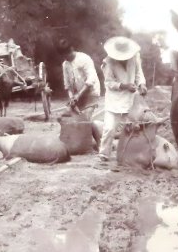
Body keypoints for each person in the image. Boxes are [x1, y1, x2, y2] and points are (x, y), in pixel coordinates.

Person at [97, 36, 147, 169]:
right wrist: (124, 86)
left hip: (131, 99)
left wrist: (142, 84)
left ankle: (130, 154)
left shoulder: (135, 57)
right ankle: (104, 154)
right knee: (109, 128)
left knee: (132, 128)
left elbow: (139, 73)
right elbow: (108, 83)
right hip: (114, 99)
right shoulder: (108, 62)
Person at [57, 39, 100, 118]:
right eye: (63, 56)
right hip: (77, 96)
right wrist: (72, 99)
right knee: (69, 118)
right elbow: (68, 85)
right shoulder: (65, 64)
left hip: (91, 92)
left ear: (71, 50)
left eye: (67, 55)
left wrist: (78, 95)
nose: (66, 58)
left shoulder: (84, 58)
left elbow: (91, 79)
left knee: (85, 119)